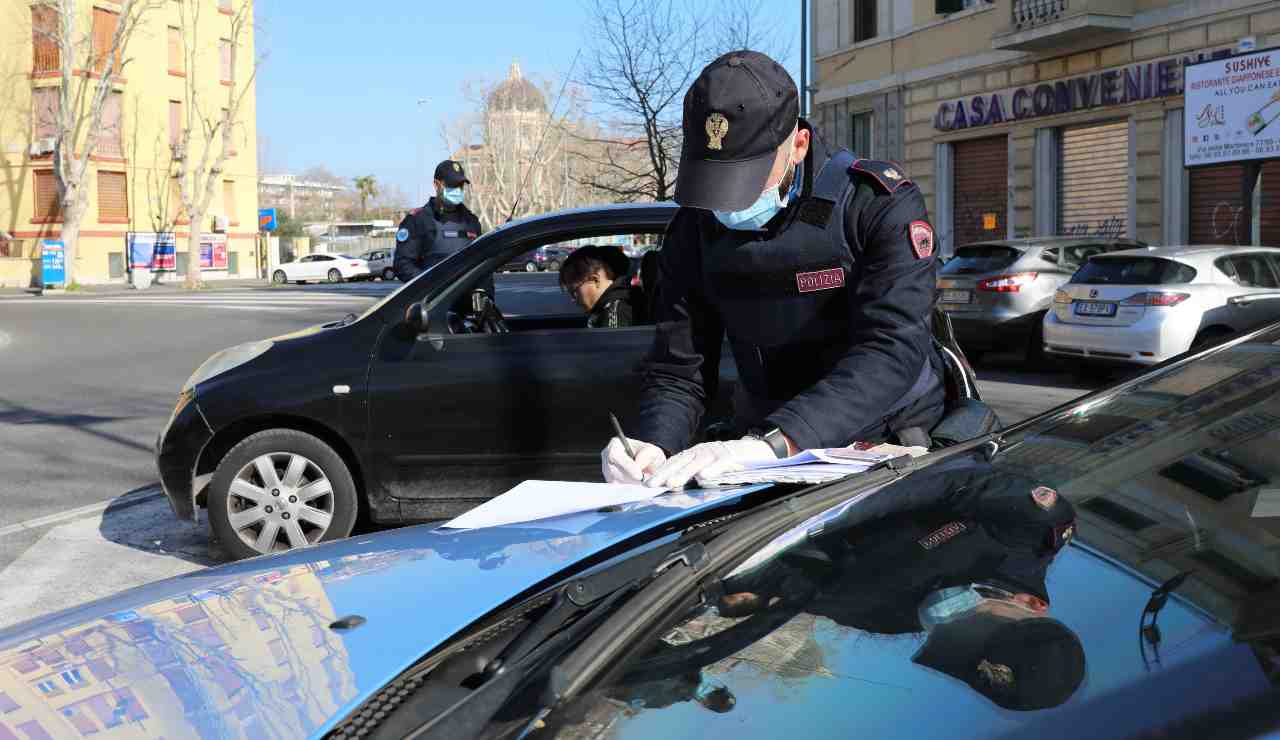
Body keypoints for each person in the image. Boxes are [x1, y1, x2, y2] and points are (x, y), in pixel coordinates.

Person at [602, 50, 946, 489]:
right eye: (714, 180)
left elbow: (890, 349)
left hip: (883, 440)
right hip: (762, 444)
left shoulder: (874, 205)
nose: (726, 202)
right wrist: (652, 445)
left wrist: (777, 442)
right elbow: (679, 369)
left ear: (797, 146)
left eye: (744, 179)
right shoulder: (693, 230)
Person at [393, 159, 484, 282]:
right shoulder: (417, 221)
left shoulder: (471, 221)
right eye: (452, 185)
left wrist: (485, 294)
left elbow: (482, 264)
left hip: (466, 298)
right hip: (434, 298)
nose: (457, 190)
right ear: (436, 185)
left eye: (460, 186)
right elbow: (403, 264)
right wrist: (431, 284)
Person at [558, 245, 639, 328]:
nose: (573, 299)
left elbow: (612, 341)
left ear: (595, 280)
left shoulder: (616, 312)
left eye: (574, 291)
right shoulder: (607, 308)